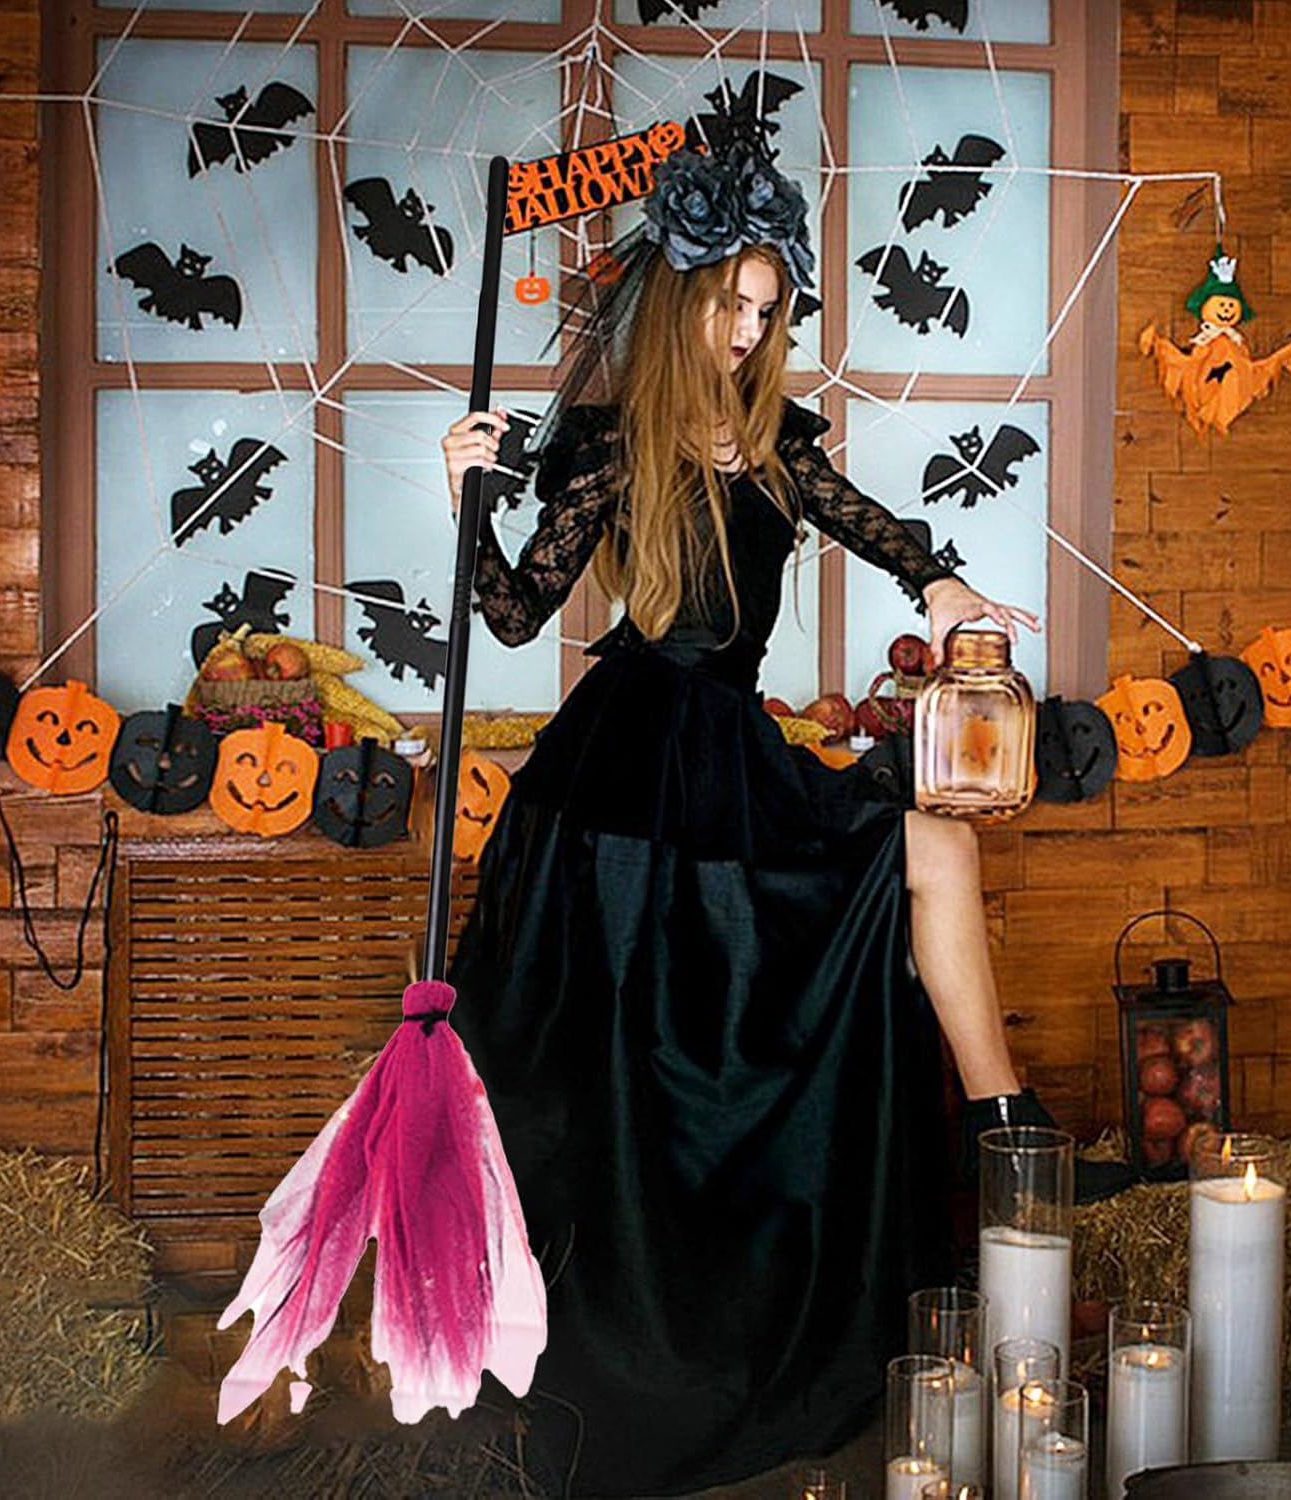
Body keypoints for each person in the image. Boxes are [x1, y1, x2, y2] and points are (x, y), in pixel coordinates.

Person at [435, 125, 1068, 1499]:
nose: (745, 332)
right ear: (681, 295)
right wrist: (467, 495)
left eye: (767, 312)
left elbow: (870, 522)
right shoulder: (612, 447)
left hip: (734, 757)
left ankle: (1007, 1130)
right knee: (650, 1042)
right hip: (621, 775)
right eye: (730, 303)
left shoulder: (777, 444)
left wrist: (942, 584)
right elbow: (513, 612)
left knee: (935, 842)